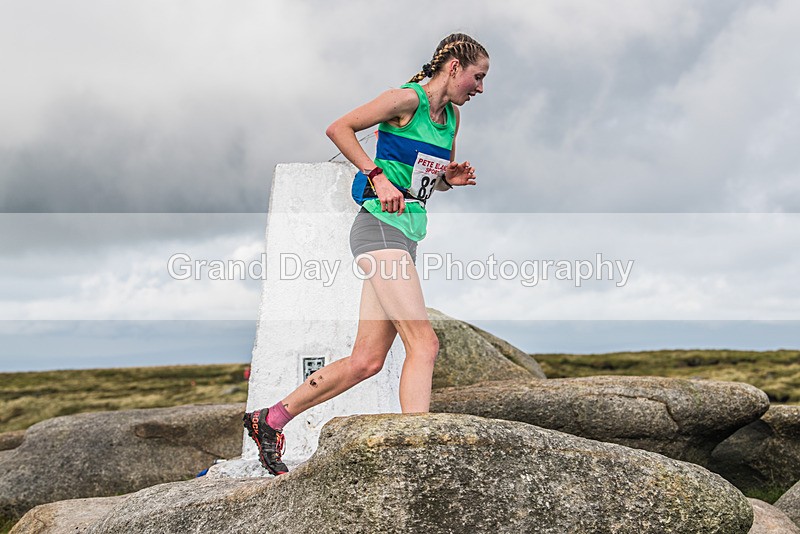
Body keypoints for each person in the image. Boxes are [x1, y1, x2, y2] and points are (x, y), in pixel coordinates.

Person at [244, 33, 490, 476]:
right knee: (425, 343)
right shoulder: (404, 99)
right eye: (478, 76)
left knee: (367, 361)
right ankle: (418, 452)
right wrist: (375, 175)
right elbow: (339, 127)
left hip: (405, 233)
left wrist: (451, 178)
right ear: (454, 67)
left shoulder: (451, 118)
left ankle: (271, 419)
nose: (480, 88)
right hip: (379, 228)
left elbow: (423, 181)